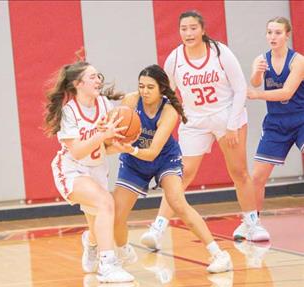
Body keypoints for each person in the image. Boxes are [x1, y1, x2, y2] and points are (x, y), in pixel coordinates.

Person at [142, 10, 270, 249]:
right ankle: (158, 227)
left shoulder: (220, 53)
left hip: (226, 116)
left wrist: (232, 125)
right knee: (180, 175)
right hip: (195, 121)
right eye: (184, 29)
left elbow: (241, 88)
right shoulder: (175, 58)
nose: (188, 33)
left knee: (239, 171)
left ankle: (252, 223)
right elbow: (167, 93)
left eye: (193, 28)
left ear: (202, 30)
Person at [113, 65, 232, 273]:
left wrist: (129, 147)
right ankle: (122, 252)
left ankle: (218, 254)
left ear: (162, 89)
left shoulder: (169, 111)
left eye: (150, 87)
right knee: (117, 214)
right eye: (141, 86)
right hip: (133, 159)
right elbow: (115, 134)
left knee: (178, 202)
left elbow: (151, 152)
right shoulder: (131, 102)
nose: (145, 91)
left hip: (163, 158)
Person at [44, 60, 134, 283]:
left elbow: (103, 147)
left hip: (97, 170)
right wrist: (103, 136)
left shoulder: (105, 105)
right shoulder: (69, 112)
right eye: (92, 77)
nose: (98, 80)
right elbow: (77, 151)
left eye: (98, 76)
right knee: (106, 203)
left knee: (99, 224)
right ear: (78, 83)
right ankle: (108, 265)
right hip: (72, 170)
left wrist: (118, 146)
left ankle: (91, 243)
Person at [247, 16, 304, 218]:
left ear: (287, 35)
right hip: (275, 122)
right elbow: (255, 83)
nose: (273, 36)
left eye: (278, 32)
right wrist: (256, 73)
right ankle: (252, 222)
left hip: (300, 119)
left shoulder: (298, 61)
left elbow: (287, 93)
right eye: (269, 32)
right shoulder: (261, 59)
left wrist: (257, 95)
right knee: (257, 177)